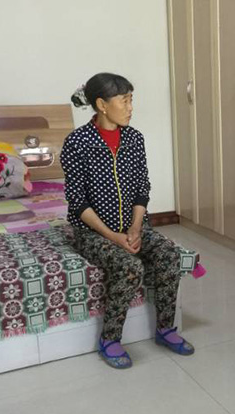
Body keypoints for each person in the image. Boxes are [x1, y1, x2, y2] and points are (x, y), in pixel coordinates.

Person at [61, 72, 194, 369]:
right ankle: (110, 339)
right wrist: (113, 237)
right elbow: (78, 202)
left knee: (169, 254)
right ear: (102, 105)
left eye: (131, 100)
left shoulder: (134, 139)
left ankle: (165, 328)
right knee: (129, 266)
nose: (131, 107)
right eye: (124, 101)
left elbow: (141, 188)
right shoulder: (77, 143)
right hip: (92, 232)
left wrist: (135, 228)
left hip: (132, 226)